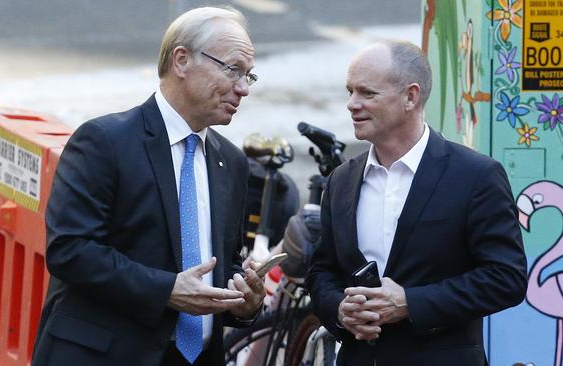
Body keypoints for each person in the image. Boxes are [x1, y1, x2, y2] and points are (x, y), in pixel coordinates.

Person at [31, 6, 265, 366]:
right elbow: (71, 249)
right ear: (182, 61)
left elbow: (220, 260)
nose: (242, 89)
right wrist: (167, 290)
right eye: (232, 69)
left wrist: (244, 300)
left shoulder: (230, 162)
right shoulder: (105, 141)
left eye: (249, 76)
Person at [306, 40, 527, 366]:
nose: (352, 104)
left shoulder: (476, 175)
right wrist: (339, 310)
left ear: (410, 96)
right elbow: (322, 271)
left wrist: (412, 302)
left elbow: (506, 278)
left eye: (367, 93)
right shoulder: (341, 180)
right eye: (350, 91)